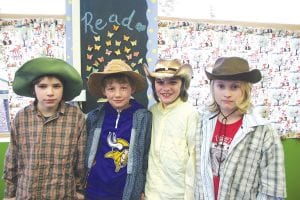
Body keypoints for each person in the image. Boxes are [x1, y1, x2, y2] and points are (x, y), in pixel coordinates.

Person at [194, 56, 287, 200]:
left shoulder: (263, 131)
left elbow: (273, 190)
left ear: (245, 89)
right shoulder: (201, 122)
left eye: (235, 87)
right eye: (221, 86)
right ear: (213, 87)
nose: (227, 94)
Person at [3, 57, 86, 199]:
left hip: (63, 193)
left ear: (63, 89)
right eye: (42, 86)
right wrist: (10, 194)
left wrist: (80, 191)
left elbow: (81, 158)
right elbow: (12, 158)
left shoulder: (76, 117)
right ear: (33, 89)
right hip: (27, 193)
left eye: (56, 86)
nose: (50, 92)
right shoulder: (22, 117)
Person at [85, 59, 152, 200]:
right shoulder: (94, 117)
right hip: (95, 188)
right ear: (104, 91)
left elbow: (146, 155)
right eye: (111, 89)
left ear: (132, 88)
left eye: (123, 88)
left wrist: (143, 187)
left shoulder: (142, 117)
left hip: (126, 189)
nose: (117, 94)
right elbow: (85, 149)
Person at [144, 59, 200, 199]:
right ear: (153, 84)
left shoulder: (190, 113)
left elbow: (194, 159)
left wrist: (189, 196)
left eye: (173, 82)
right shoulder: (152, 111)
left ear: (182, 85)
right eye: (160, 82)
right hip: (151, 192)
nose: (166, 88)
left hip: (178, 194)